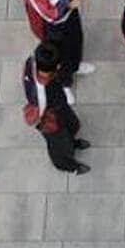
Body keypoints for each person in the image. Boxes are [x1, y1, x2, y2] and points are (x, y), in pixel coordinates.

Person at [23, 41, 90, 175]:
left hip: (59, 106)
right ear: (56, 67)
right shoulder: (41, 94)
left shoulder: (33, 62)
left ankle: (72, 142)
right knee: (59, 146)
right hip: (51, 120)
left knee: (72, 125)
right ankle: (70, 166)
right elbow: (35, 117)